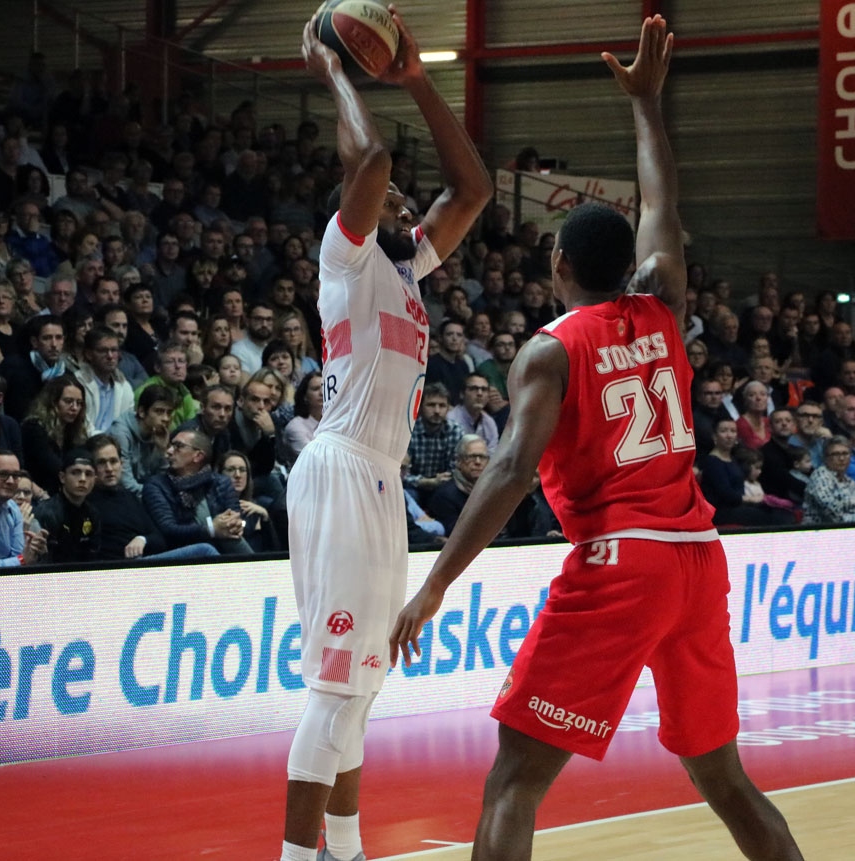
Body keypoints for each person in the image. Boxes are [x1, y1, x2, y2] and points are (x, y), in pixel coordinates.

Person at [388, 18, 802, 861]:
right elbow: (663, 205)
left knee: (514, 780)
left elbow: (507, 472)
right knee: (722, 776)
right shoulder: (662, 305)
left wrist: (433, 584)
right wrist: (646, 105)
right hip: (696, 558)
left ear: (557, 264)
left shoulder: (549, 349)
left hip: (624, 564)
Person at [281, 10, 494, 861]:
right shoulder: (346, 255)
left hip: (378, 479)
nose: (404, 195)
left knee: (363, 688)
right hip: (340, 467)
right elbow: (370, 159)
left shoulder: (408, 272)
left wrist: (415, 79)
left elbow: (473, 188)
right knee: (336, 692)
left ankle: (348, 846)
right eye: (393, 196)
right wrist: (332, 67)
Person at [85, 434, 219, 561]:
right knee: (205, 551)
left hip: (145, 562)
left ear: (122, 464)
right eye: (101, 463)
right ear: (92, 467)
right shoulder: (87, 502)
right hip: (117, 569)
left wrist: (142, 539)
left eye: (113, 461)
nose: (109, 468)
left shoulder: (129, 497)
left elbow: (159, 539)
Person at [143, 429, 252, 555]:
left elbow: (236, 518)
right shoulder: (156, 486)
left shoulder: (221, 482)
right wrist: (211, 529)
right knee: (211, 546)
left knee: (230, 536)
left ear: (198, 456)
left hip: (221, 544)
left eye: (178, 446)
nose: (169, 451)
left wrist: (234, 525)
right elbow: (168, 530)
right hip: (180, 549)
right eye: (171, 446)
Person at [21, 374, 89, 495]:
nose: (75, 408)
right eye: (68, 401)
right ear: (53, 402)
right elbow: (53, 468)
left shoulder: (73, 432)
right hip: (38, 493)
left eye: (79, 403)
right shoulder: (34, 428)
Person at [33, 448, 102, 563]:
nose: (82, 479)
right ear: (62, 477)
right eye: (75, 473)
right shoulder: (46, 513)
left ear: (95, 480)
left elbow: (93, 556)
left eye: (88, 474)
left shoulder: (93, 514)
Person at [802, 435, 855, 525]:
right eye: (836, 454)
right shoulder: (820, 475)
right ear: (826, 458)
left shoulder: (851, 483)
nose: (841, 458)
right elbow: (833, 514)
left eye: (845, 453)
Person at [221, 449, 279, 552]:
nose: (238, 475)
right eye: (231, 470)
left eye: (242, 470)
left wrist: (265, 516)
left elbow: (274, 548)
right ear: (220, 474)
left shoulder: (256, 506)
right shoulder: (216, 505)